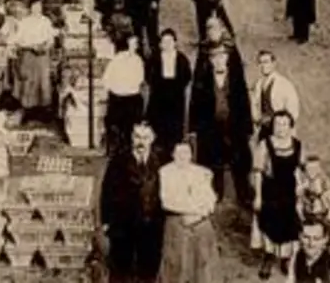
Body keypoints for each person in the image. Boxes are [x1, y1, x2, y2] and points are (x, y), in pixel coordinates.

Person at [190, 16, 254, 206]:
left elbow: (243, 98)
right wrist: (194, 126)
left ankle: (243, 194)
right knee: (213, 158)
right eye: (214, 58)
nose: (219, 61)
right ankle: (215, 193)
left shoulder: (234, 67)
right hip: (211, 125)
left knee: (239, 160)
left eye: (222, 57)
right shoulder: (204, 70)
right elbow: (195, 96)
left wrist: (247, 125)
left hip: (233, 124)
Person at [102, 122, 166, 283]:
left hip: (151, 224)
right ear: (131, 138)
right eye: (137, 136)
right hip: (124, 224)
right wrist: (106, 221)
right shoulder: (119, 160)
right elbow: (107, 190)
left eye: (145, 137)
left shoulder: (161, 160)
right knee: (120, 268)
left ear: (152, 139)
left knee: (149, 268)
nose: (140, 142)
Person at [158, 139, 223, 283]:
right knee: (179, 249)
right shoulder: (165, 172)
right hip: (177, 217)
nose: (182, 156)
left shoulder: (201, 172)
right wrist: (191, 210)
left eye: (186, 152)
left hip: (199, 218)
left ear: (191, 155)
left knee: (204, 234)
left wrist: (200, 214)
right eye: (179, 153)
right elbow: (167, 201)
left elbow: (210, 198)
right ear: (172, 154)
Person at [252, 111, 304, 279]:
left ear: (291, 127)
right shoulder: (264, 144)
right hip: (271, 193)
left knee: (289, 227)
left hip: (290, 193)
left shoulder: (298, 145)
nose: (280, 128)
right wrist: (258, 196)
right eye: (277, 124)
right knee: (269, 225)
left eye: (284, 125)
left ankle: (286, 259)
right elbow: (258, 172)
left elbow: (304, 169)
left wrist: (303, 187)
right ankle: (268, 257)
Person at [146, 29, 192, 158]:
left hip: (175, 99)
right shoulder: (154, 58)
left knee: (174, 131)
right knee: (158, 131)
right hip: (158, 99)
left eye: (170, 41)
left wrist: (176, 87)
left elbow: (187, 76)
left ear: (175, 43)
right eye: (164, 41)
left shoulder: (181, 59)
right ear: (160, 44)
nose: (167, 44)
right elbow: (148, 76)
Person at [11, 0, 58, 118]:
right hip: (28, 55)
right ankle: (27, 109)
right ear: (30, 8)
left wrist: (46, 46)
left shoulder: (46, 21)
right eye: (35, 7)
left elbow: (51, 39)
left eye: (39, 7)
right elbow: (17, 40)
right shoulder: (24, 22)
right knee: (29, 82)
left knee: (43, 82)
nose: (37, 9)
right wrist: (31, 46)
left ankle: (43, 110)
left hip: (42, 56)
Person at [104, 28, 147, 155]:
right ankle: (118, 146)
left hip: (131, 98)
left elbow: (140, 78)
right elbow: (107, 78)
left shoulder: (138, 60)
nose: (135, 46)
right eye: (133, 43)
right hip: (118, 98)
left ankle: (129, 146)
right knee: (117, 125)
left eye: (136, 43)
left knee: (131, 126)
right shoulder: (117, 59)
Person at [283, 219, 330, 283]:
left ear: (325, 239)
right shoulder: (297, 258)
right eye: (306, 237)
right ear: (299, 236)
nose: (311, 243)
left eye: (316, 238)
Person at [250, 51, 302, 138]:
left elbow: (293, 109)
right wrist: (257, 119)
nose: (263, 66)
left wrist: (282, 124)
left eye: (266, 62)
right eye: (260, 63)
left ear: (273, 64)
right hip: (264, 130)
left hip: (280, 130)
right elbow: (254, 106)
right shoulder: (257, 85)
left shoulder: (284, 84)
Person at [295, 156, 330, 227]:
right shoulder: (304, 184)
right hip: (308, 216)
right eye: (309, 169)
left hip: (322, 215)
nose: (311, 172)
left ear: (319, 169)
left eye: (314, 169)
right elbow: (299, 203)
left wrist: (328, 218)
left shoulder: (324, 183)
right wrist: (302, 218)